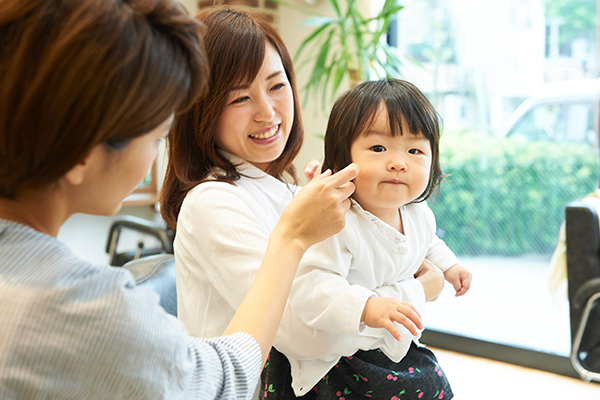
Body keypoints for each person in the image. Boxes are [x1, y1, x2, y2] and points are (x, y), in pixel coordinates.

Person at [0, 1, 358, 399]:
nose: (267, 111)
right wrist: (293, 240)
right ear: (83, 152)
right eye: (154, 135)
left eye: (277, 85)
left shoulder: (287, 190)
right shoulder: (85, 308)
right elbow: (219, 381)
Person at [262, 79, 473, 399]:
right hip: (334, 360)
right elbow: (310, 286)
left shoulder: (418, 213)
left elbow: (428, 243)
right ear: (342, 158)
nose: (398, 162)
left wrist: (450, 267)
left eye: (415, 150)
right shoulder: (335, 221)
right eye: (378, 148)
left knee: (436, 385)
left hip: (387, 343)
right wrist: (366, 307)